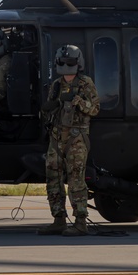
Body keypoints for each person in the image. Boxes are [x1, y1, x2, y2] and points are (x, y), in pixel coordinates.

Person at [37, 44, 100, 237]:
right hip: (56, 137)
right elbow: (48, 113)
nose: (66, 66)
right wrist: (49, 108)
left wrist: (79, 102)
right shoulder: (56, 85)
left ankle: (80, 221)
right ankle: (58, 219)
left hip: (76, 138)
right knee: (52, 179)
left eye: (69, 62)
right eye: (63, 62)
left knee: (75, 180)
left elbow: (95, 109)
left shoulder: (85, 83)